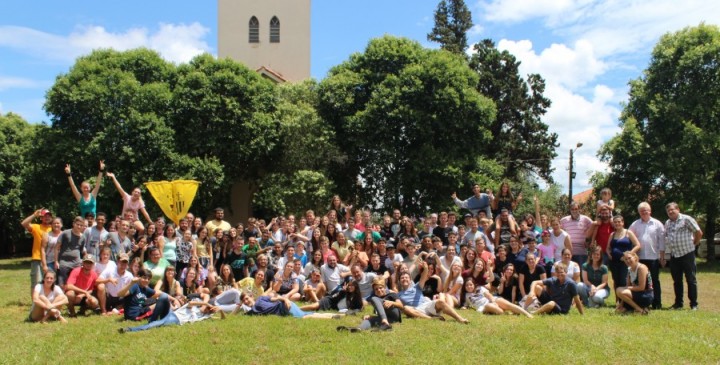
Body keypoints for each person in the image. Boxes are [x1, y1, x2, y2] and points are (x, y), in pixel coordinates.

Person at [397, 261, 469, 324]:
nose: (404, 279)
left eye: (406, 278)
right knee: (406, 308)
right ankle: (431, 318)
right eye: (402, 278)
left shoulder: (417, 286)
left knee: (440, 302)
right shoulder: (398, 295)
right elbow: (399, 306)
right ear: (399, 281)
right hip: (416, 310)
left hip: (426, 305)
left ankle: (460, 319)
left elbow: (423, 277)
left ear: (410, 280)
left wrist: (425, 268)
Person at [664, 202, 702, 310]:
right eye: (668, 211)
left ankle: (694, 304)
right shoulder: (667, 223)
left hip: (687, 254)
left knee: (691, 280)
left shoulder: (686, 219)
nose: (670, 212)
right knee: (677, 281)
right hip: (674, 256)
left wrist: (694, 243)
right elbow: (667, 241)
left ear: (678, 209)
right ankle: (678, 303)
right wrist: (667, 257)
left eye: (672, 210)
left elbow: (699, 232)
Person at [629, 202, 665, 309]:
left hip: (653, 257)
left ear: (650, 211)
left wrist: (662, 257)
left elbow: (662, 242)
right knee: (641, 281)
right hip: (640, 258)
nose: (644, 212)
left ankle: (657, 303)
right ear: (639, 212)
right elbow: (628, 235)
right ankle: (643, 302)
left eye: (646, 210)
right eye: (642, 211)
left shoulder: (657, 224)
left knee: (654, 281)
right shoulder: (635, 224)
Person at [118, 296, 223, 333]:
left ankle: (130, 329)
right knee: (163, 297)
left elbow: (221, 319)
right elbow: (190, 303)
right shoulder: (195, 306)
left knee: (156, 324)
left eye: (208, 308)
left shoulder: (205, 316)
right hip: (172, 313)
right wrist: (205, 302)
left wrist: (220, 310)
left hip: (176, 319)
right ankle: (153, 318)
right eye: (206, 306)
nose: (205, 308)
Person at [337, 278, 401, 332]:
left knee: (374, 298)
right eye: (376, 289)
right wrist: (370, 316)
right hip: (388, 319)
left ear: (384, 288)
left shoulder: (391, 295)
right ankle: (359, 328)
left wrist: (392, 303)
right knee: (369, 319)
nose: (379, 290)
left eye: (381, 288)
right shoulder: (376, 300)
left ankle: (385, 323)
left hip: (394, 315)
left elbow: (401, 305)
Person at [239, 291, 344, 319]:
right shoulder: (252, 312)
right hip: (284, 309)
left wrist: (285, 299)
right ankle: (337, 316)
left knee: (305, 317)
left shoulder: (261, 298)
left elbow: (275, 297)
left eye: (247, 298)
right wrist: (238, 305)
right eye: (244, 301)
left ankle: (333, 317)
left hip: (284, 307)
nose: (246, 301)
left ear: (252, 296)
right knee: (308, 314)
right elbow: (234, 315)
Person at [21, 208, 54, 298]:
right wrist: (34, 215)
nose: (47, 218)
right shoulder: (36, 227)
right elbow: (24, 223)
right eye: (45, 216)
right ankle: (35, 303)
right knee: (36, 282)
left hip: (50, 260)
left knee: (49, 283)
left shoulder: (53, 228)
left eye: (49, 216)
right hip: (38, 258)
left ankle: (47, 301)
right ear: (41, 218)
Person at [606, 215, 640, 296]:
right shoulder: (612, 234)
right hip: (614, 262)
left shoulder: (628, 232)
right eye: (615, 222)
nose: (617, 223)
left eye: (619, 222)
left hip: (626, 262)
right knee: (616, 281)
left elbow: (638, 245)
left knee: (624, 281)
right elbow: (607, 248)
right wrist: (609, 255)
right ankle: (618, 301)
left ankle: (625, 302)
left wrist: (628, 255)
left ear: (622, 223)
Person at [461, 279, 532, 318]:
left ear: (474, 285)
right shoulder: (466, 295)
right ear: (465, 287)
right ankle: (506, 313)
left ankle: (526, 314)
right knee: (489, 306)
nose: (469, 286)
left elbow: (488, 295)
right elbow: (466, 304)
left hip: (492, 300)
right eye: (467, 285)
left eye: (471, 285)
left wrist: (493, 301)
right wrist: (464, 307)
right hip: (484, 307)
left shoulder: (480, 288)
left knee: (508, 304)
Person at [55, 216, 87, 288]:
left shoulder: (83, 237)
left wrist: (84, 260)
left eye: (81, 225)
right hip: (64, 263)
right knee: (62, 285)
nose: (79, 226)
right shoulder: (65, 233)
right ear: (73, 224)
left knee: (75, 285)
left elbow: (81, 251)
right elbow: (56, 248)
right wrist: (56, 261)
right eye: (77, 224)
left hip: (76, 264)